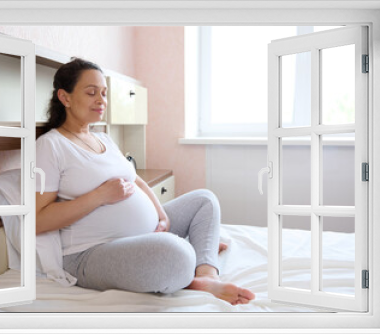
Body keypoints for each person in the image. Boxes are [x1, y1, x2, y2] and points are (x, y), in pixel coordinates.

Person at [35, 57, 255, 306]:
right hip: (90, 253)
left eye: (104, 93)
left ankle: (206, 275)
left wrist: (161, 215)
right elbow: (38, 220)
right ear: (65, 97)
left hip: (142, 236)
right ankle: (188, 263)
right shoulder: (50, 146)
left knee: (205, 200)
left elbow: (135, 179)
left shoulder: (103, 139)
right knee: (175, 252)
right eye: (91, 92)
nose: (101, 100)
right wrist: (99, 196)